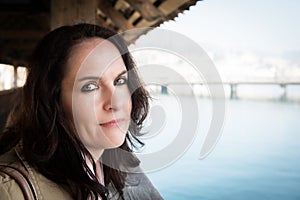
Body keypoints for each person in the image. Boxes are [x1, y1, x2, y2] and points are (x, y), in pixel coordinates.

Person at [0, 23, 162, 200]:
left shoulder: (113, 161)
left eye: (120, 81)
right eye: (90, 86)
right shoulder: (10, 191)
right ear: (53, 99)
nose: (115, 103)